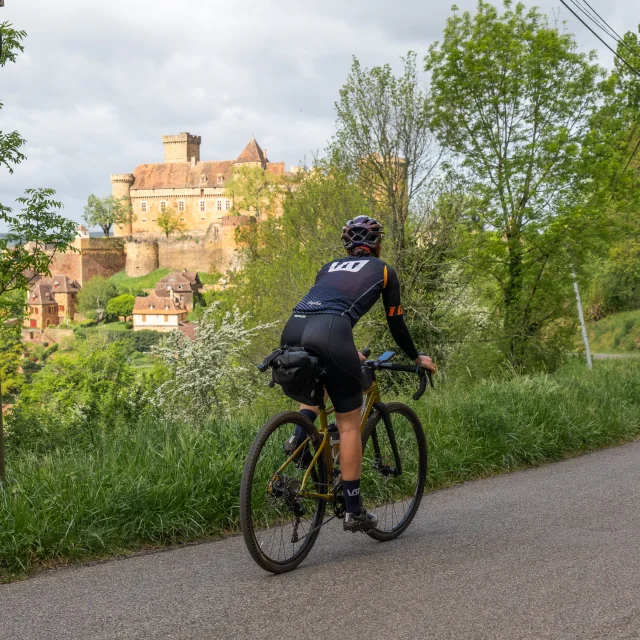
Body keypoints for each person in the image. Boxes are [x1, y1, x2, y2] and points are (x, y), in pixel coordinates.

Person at [280, 215, 436, 532]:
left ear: (347, 246)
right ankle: (353, 510)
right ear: (377, 244)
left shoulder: (328, 268)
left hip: (294, 329)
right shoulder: (383, 270)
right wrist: (416, 356)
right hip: (332, 333)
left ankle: (298, 438)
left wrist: (351, 353)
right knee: (350, 424)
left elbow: (324, 311)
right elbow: (396, 323)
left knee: (316, 389)